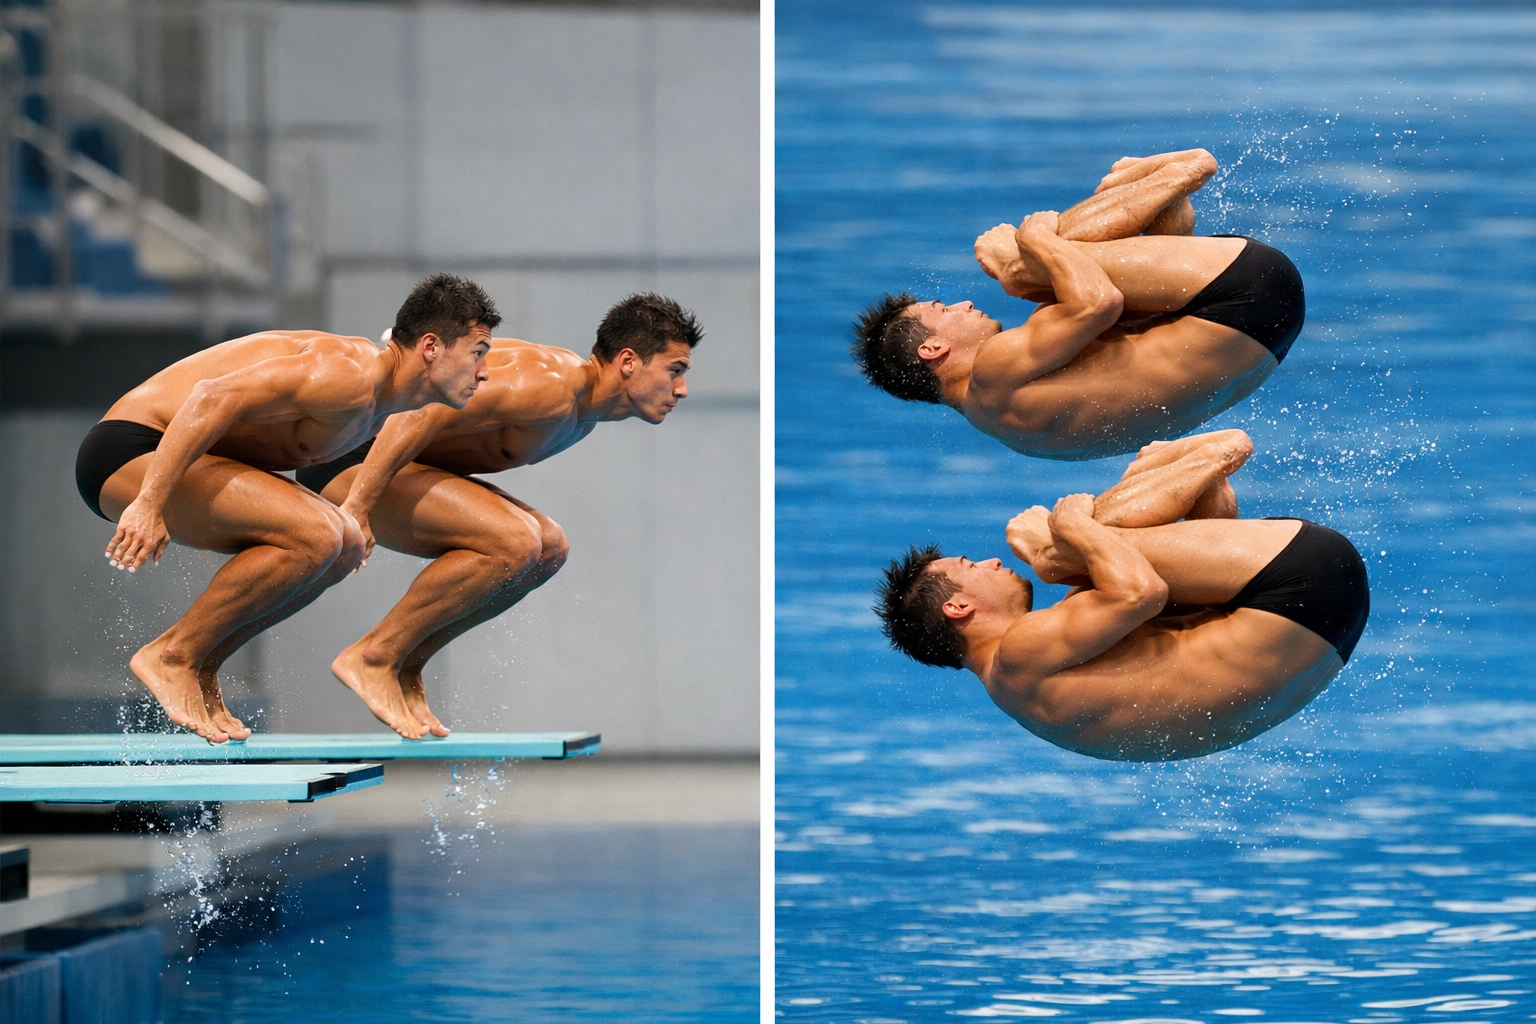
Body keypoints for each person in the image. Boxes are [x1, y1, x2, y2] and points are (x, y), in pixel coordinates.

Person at [75, 274, 501, 743]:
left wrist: (359, 508)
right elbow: (210, 396)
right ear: (430, 347)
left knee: (344, 544)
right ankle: (172, 656)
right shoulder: (347, 374)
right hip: (132, 448)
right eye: (478, 353)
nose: (483, 372)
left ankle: (202, 664)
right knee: (317, 534)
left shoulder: (381, 404)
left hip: (178, 455)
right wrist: (148, 503)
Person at [295, 293, 701, 739]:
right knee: (514, 540)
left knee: (549, 547)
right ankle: (373, 656)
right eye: (674, 370)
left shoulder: (581, 416)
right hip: (349, 458)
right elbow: (422, 411)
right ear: (628, 361)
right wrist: (359, 506)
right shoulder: (549, 386)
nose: (681, 389)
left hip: (396, 464)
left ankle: (407, 661)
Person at [874, 430, 1369, 761]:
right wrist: (1068, 527)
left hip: (1324, 625)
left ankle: (1185, 467)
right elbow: (1142, 592)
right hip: (1298, 584)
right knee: (1066, 552)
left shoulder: (1026, 689)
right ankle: (1215, 453)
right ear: (957, 608)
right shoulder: (1019, 652)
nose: (992, 562)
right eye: (971, 567)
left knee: (1096, 568)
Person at [852, 150, 1305, 460]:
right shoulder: (992, 369)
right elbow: (1100, 302)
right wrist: (1034, 240)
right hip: (1242, 290)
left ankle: (1156, 190)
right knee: (1024, 268)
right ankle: (1178, 173)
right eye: (942, 308)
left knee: (1066, 296)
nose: (963, 302)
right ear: (932, 349)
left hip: (1266, 337)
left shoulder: (1012, 429)